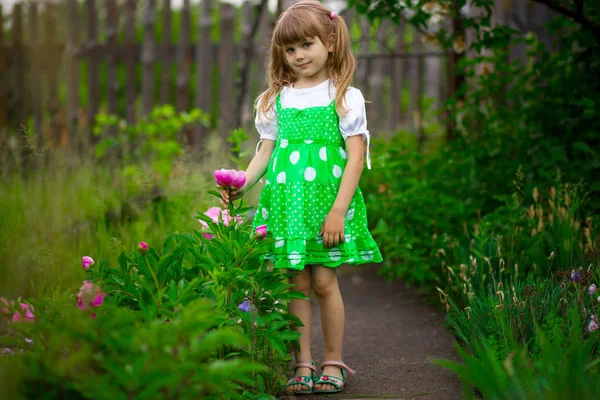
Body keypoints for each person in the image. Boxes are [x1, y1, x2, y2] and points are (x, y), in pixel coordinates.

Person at [221, 0, 382, 395]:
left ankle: (333, 361)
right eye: (289, 50)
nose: (297, 56)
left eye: (306, 45)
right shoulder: (277, 99)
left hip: (326, 209)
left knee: (325, 282)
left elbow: (356, 158)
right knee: (296, 285)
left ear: (329, 42)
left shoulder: (344, 96)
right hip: (289, 209)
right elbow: (265, 151)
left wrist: (338, 212)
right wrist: (242, 182)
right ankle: (302, 364)